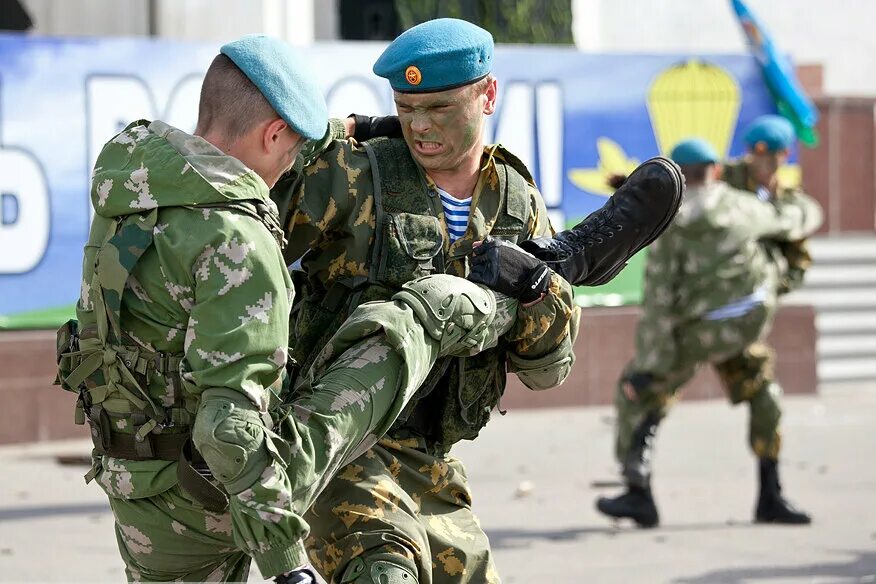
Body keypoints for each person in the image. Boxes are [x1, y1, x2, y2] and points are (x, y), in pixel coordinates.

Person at [54, 35, 523, 584]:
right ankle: (500, 296)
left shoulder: (133, 189)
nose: (293, 169)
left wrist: (350, 128)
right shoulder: (237, 238)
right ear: (273, 133)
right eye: (294, 150)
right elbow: (229, 430)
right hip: (219, 490)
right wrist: (285, 564)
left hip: (134, 483)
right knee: (417, 318)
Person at [273, 18, 683, 583]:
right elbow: (243, 231)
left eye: (439, 107)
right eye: (405, 106)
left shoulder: (514, 201)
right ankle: (569, 260)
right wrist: (327, 134)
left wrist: (534, 289)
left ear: (487, 94)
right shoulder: (353, 174)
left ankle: (563, 262)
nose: (419, 125)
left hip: (431, 461)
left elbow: (547, 369)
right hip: (342, 443)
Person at [594, 136, 823, 529]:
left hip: (696, 332)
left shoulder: (671, 224)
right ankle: (771, 494)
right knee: (764, 392)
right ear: (715, 171)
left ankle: (638, 493)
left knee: (637, 391)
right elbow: (799, 217)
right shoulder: (746, 206)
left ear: (677, 178)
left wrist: (653, 365)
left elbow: (658, 300)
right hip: (745, 324)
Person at [723, 115, 814, 295]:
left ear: (785, 154)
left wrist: (776, 288)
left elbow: (799, 255)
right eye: (756, 154)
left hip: (759, 294)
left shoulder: (787, 199)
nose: (761, 162)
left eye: (770, 156)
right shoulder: (726, 180)